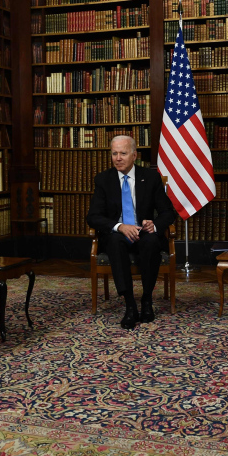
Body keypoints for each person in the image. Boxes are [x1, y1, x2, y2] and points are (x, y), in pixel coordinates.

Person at [86, 135, 176, 329]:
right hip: (117, 235)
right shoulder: (103, 179)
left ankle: (146, 300)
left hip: (143, 232)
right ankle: (130, 305)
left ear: (134, 155)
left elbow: (168, 212)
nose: (118, 158)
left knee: (151, 242)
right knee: (114, 242)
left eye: (123, 153)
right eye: (114, 153)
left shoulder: (151, 178)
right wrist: (119, 226)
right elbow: (93, 217)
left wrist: (154, 225)